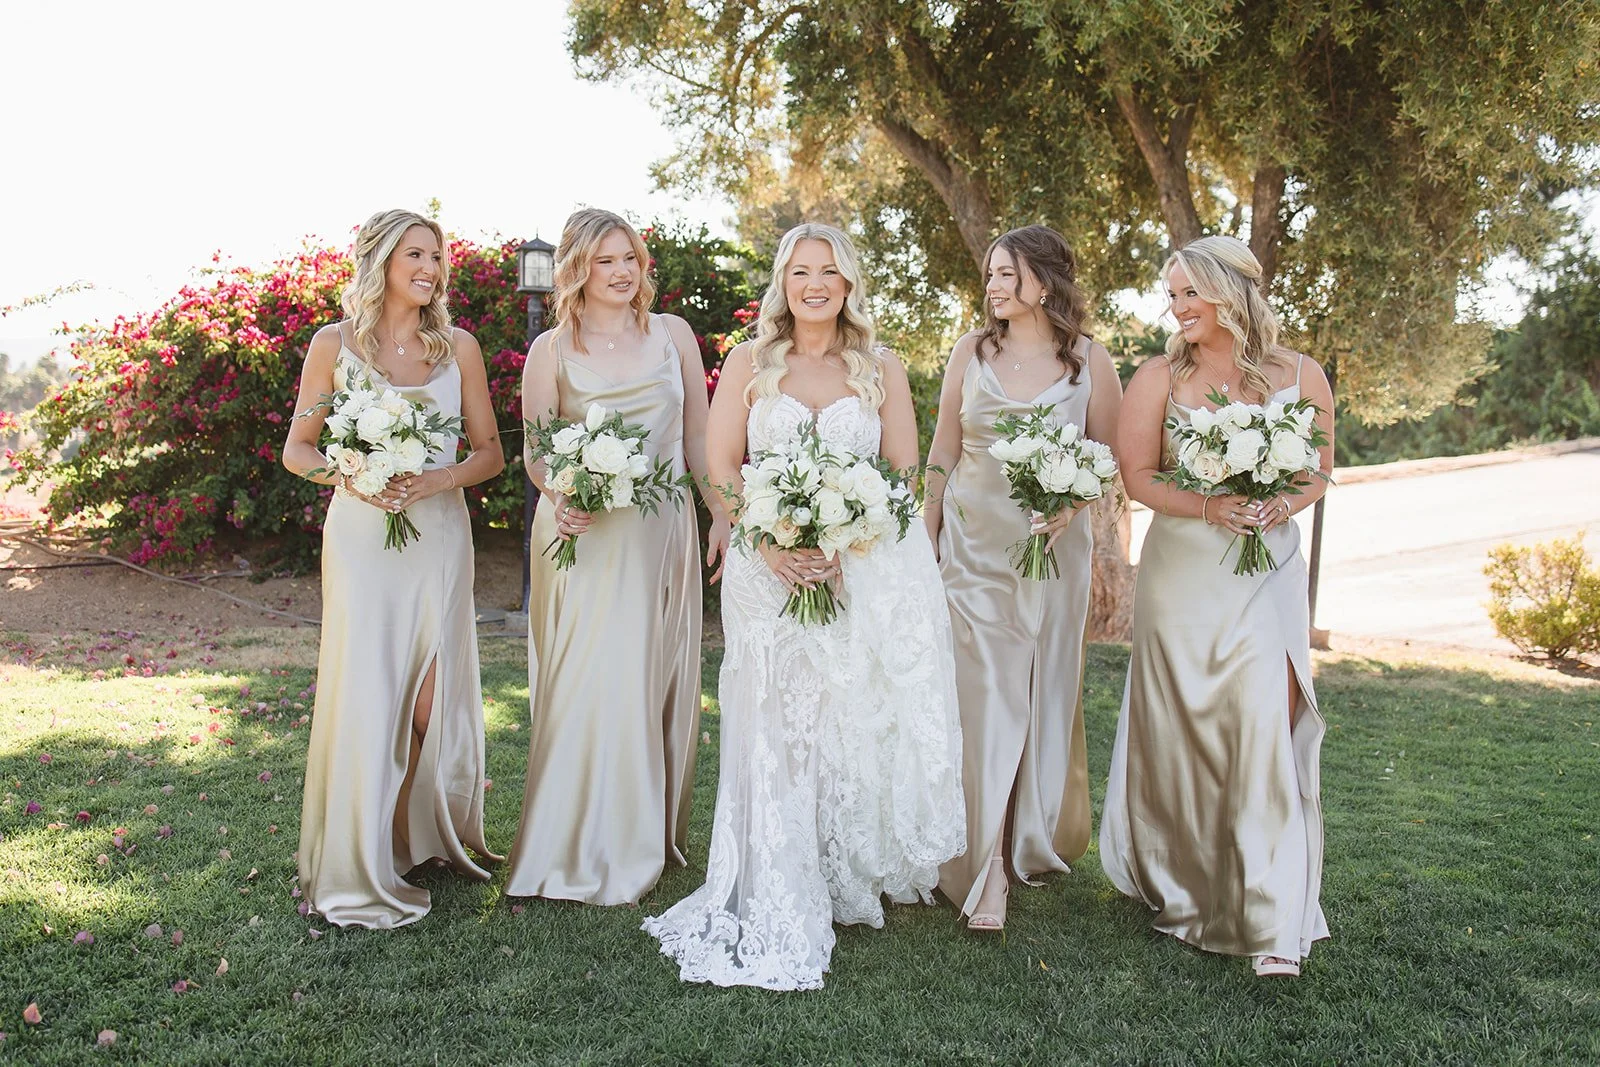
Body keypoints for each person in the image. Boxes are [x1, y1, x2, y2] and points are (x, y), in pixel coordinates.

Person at [643, 223, 965, 990]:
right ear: (783, 283)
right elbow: (722, 467)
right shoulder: (751, 362)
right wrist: (771, 541)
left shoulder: (879, 366)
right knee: (772, 721)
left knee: (837, 719)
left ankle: (834, 870)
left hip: (851, 570)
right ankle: (773, 873)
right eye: (799, 271)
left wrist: (846, 543)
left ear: (849, 283)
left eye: (827, 271)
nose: (813, 284)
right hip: (766, 571)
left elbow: (900, 474)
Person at [1101, 234, 1335, 978]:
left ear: (1232, 291)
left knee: (1266, 714)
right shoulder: (1158, 377)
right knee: (1186, 729)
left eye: (1189, 294)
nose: (1177, 309)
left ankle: (1272, 914)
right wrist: (1211, 504)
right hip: (1183, 576)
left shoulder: (1301, 373)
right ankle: (1188, 886)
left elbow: (1320, 473)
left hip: (1268, 568)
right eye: (1172, 296)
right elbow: (1137, 476)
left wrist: (1276, 503)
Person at [283, 208, 503, 928]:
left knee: (430, 701)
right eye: (415, 253)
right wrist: (352, 476)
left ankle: (421, 834)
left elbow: (489, 454)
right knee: (372, 687)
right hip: (363, 539)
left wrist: (438, 482)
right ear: (380, 260)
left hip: (438, 533)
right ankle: (364, 850)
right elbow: (299, 449)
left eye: (436, 256)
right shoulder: (333, 345)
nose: (430, 268)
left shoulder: (458, 346)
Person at [503, 208, 726, 905]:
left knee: (643, 673)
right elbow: (538, 449)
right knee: (585, 679)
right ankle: (568, 841)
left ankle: (637, 837)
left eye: (630, 256)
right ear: (577, 268)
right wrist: (559, 492)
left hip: (659, 531)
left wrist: (721, 509)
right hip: (581, 531)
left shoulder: (673, 336)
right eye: (606, 261)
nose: (624, 271)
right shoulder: (551, 349)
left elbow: (697, 437)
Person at [924, 225, 1123, 930]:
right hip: (974, 549)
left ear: (1046, 281)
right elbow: (945, 447)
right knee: (983, 696)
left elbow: (1107, 459)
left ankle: (1014, 844)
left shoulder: (1091, 363)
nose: (994, 287)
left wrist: (1073, 505)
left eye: (1008, 274)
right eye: (990, 276)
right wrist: (930, 523)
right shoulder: (969, 353)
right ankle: (985, 872)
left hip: (1050, 550)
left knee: (1032, 694)